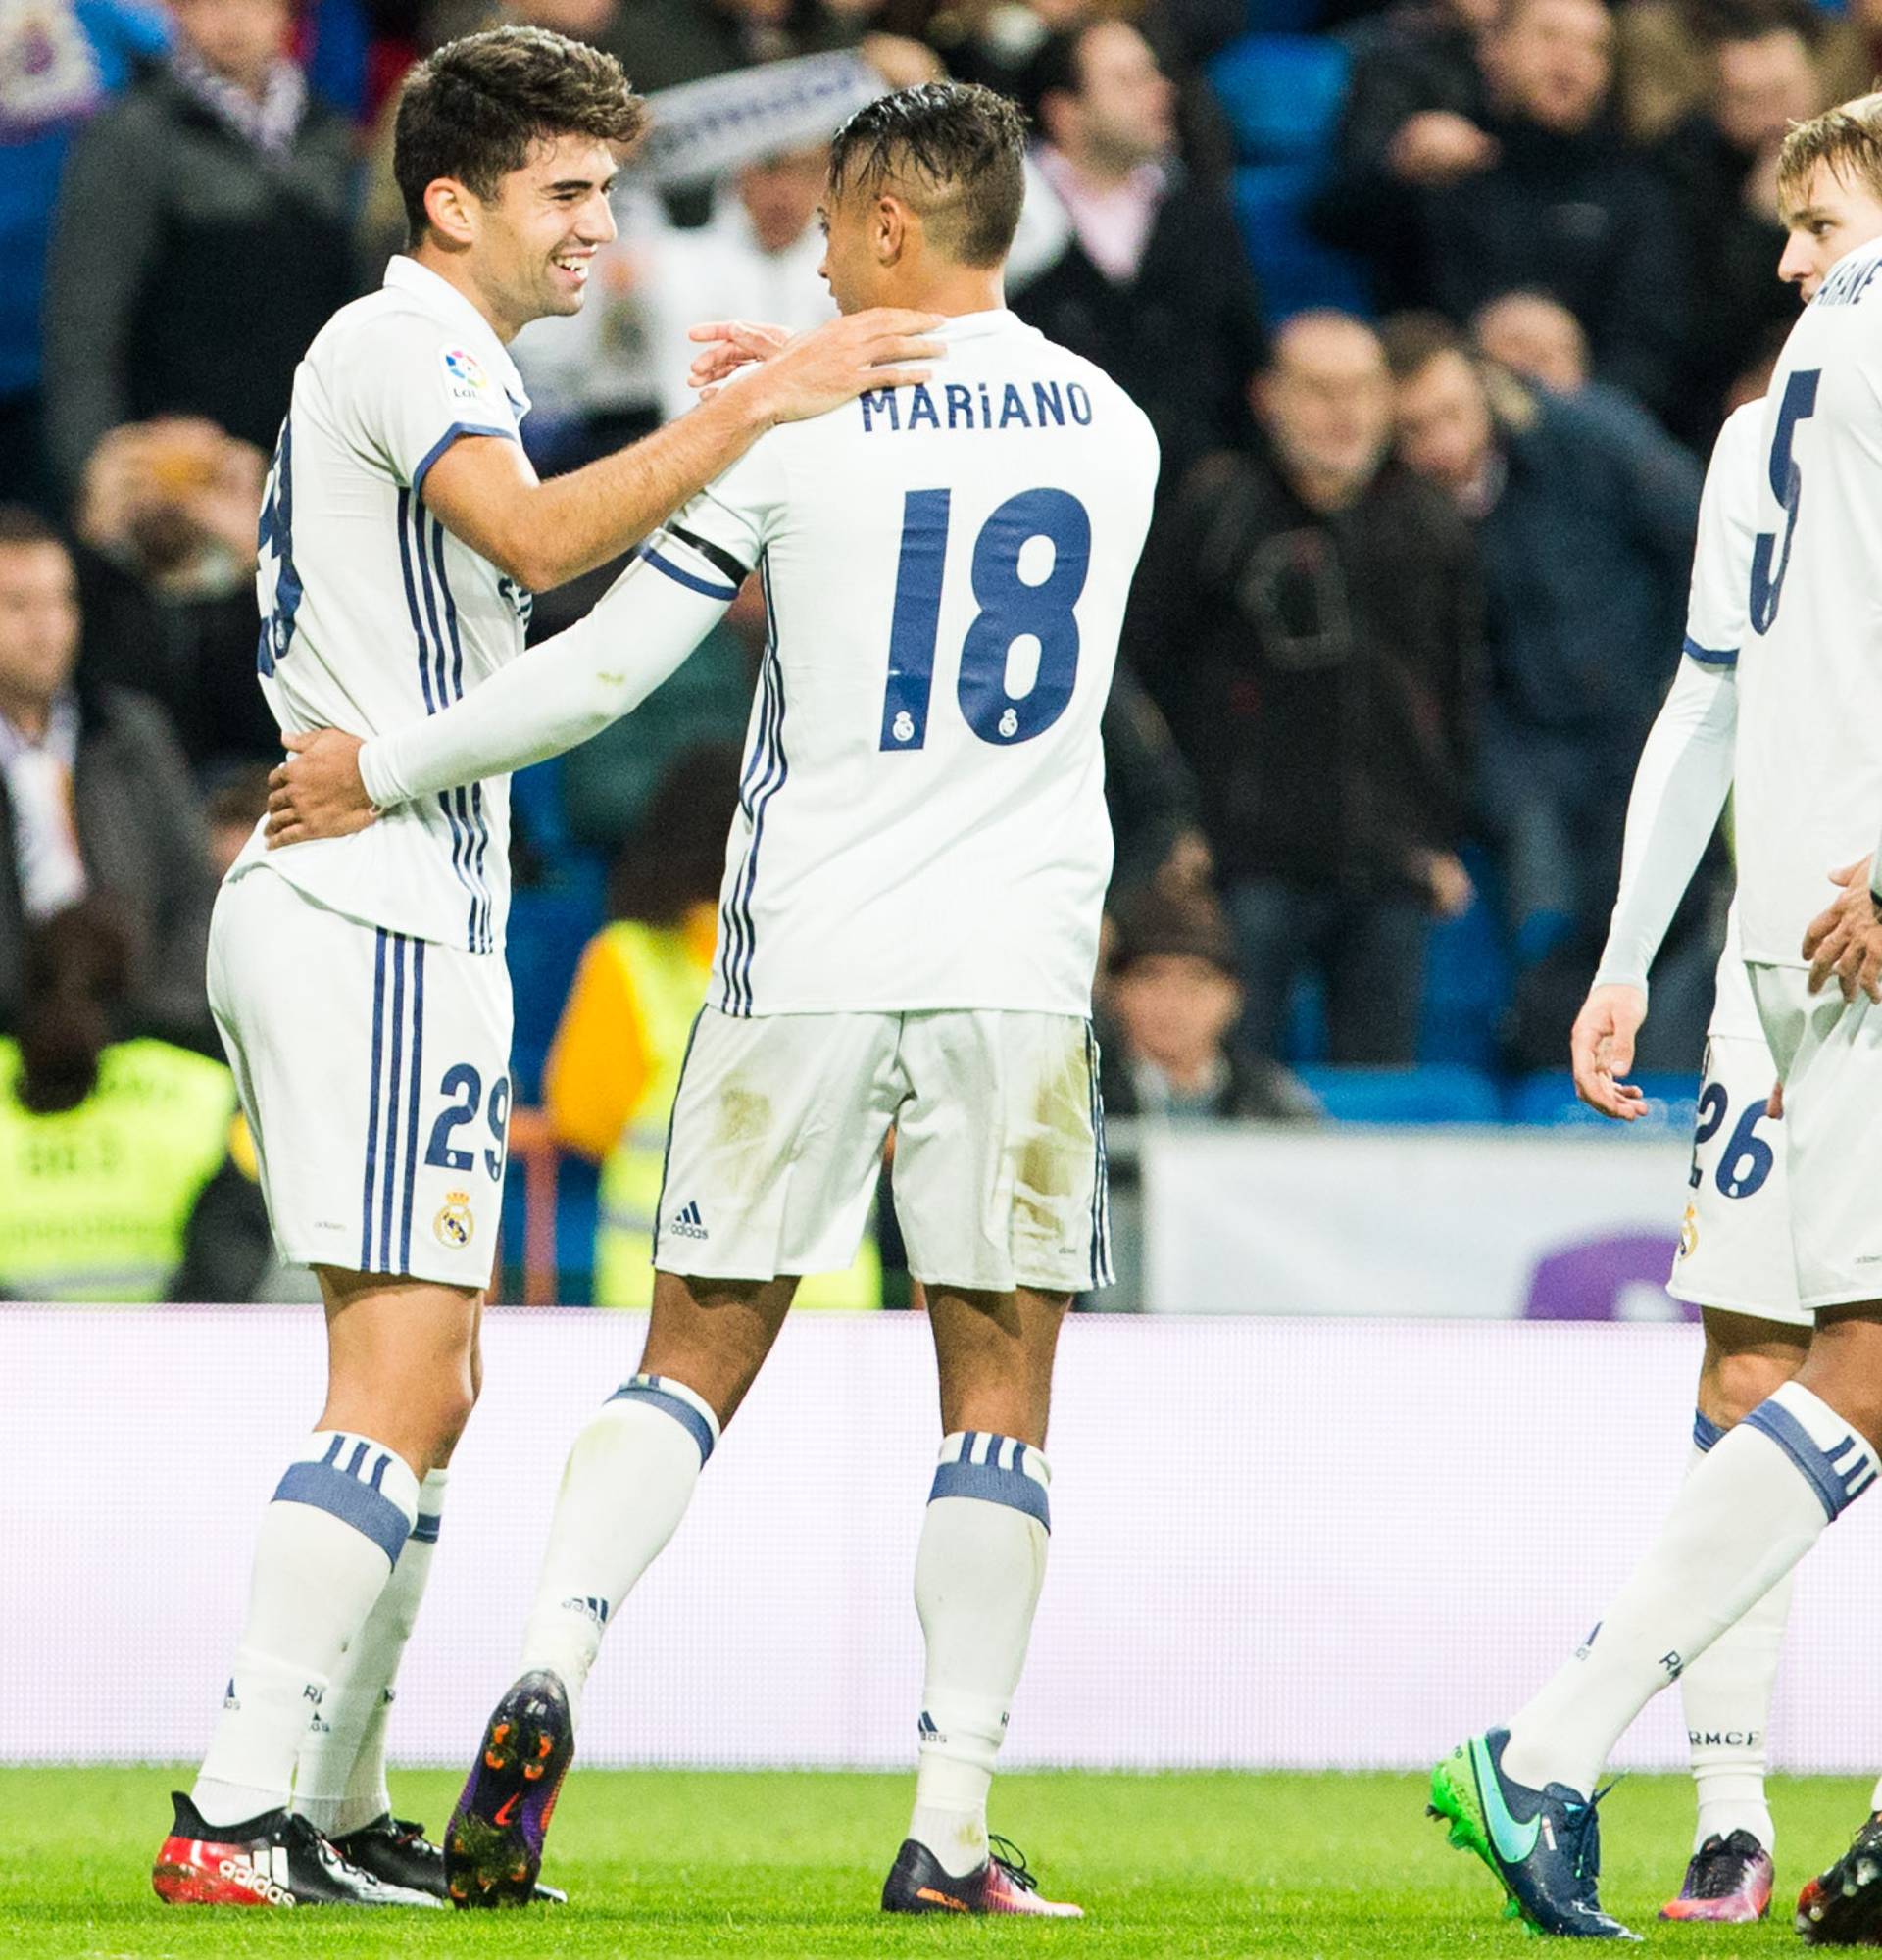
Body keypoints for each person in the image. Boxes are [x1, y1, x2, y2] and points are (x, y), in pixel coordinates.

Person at [264, 78, 1158, 1916]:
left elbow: (594, 681)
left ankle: (551, 1671)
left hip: (806, 951)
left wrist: (389, 761)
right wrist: (829, 366)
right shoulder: (1119, 428)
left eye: (832, 223)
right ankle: (950, 1822)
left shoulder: (797, 436)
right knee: (998, 1398)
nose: (812, 250)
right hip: (1017, 962)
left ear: (894, 226)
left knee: (690, 1356)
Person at [148, 23, 939, 1910]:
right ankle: (237, 1808)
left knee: (430, 1377)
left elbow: (529, 530)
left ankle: (326, 1811)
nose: (603, 227)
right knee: (401, 1373)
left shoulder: (441, 358)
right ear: (455, 200)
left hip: (383, 900)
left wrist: (710, 405)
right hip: (376, 899)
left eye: (605, 188)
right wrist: (753, 410)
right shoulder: (398, 336)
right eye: (569, 192)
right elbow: (529, 533)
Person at [1428, 94, 1882, 1944]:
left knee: (1787, 1362)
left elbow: (1709, 701)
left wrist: (1635, 953)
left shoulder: (1764, 419)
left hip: (1784, 944)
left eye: (1814, 218)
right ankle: (1561, 1753)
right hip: (1860, 934)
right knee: (1833, 1365)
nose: (1785, 259)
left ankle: (1713, 1806)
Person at [1567, 394, 1798, 1923]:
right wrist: (1629, 953)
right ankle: (1732, 1811)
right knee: (1743, 1374)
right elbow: (1706, 701)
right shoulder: (1750, 447)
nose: (1792, 265)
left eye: (1825, 226)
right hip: (1776, 976)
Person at [1126, 313, 1479, 1064]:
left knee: (1380, 1106)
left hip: (1391, 863)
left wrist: (1442, 831)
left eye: (1362, 390)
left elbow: (1461, 687)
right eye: (1318, 391)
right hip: (1241, 862)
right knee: (1236, 1088)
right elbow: (1140, 670)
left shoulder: (1431, 522)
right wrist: (1171, 820)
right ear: (1267, 398)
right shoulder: (1217, 508)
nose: (1344, 413)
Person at [1384, 314, 1707, 1064]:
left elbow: (1702, 541)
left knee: (1670, 925)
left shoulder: (1589, 439)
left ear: (1485, 390)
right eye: (1414, 429)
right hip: (1522, 758)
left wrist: (1682, 689)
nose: (1440, 444)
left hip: (1646, 722)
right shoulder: (1406, 515)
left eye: (1452, 415)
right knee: (1551, 932)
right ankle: (1555, 1095)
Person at [544, 744, 880, 1306]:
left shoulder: (626, 962)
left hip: (661, 1302)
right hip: (829, 1306)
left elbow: (582, 1117)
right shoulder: (844, 958)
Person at [41, 0, 362, 501]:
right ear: (175, 11)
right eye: (209, 3)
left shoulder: (330, 134)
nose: (232, 19)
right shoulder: (132, 133)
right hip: (178, 467)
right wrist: (89, 464)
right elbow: (85, 314)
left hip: (309, 460)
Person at [1015, 18, 1264, 487]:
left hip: (1194, 494)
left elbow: (1243, 353)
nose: (1161, 90)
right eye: (1129, 80)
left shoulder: (1200, 211)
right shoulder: (1003, 219)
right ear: (1064, 112)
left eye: (1153, 74)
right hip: (1050, 490)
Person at [0, 507, 216, 1047]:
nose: (47, 627)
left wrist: (154, 1024)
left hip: (141, 1037)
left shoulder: (131, 733)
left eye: (61, 601)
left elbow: (196, 894)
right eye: (18, 605)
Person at [0, 898, 269, 1303]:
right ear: (130, 979)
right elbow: (234, 1248)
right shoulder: (205, 1087)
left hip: (15, 1354)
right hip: (169, 1352)